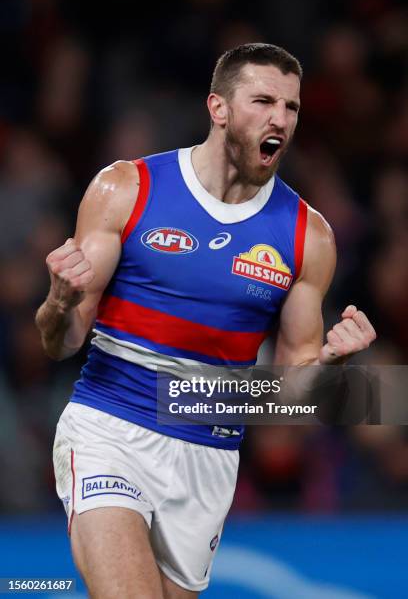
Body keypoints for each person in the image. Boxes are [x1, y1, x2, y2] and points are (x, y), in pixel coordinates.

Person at [35, 43, 376, 598]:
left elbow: (290, 401)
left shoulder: (307, 237)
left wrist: (334, 365)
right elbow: (61, 342)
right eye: (263, 101)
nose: (280, 119)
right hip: (108, 429)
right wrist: (58, 301)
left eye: (290, 107)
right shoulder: (127, 188)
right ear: (217, 108)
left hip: (207, 455)